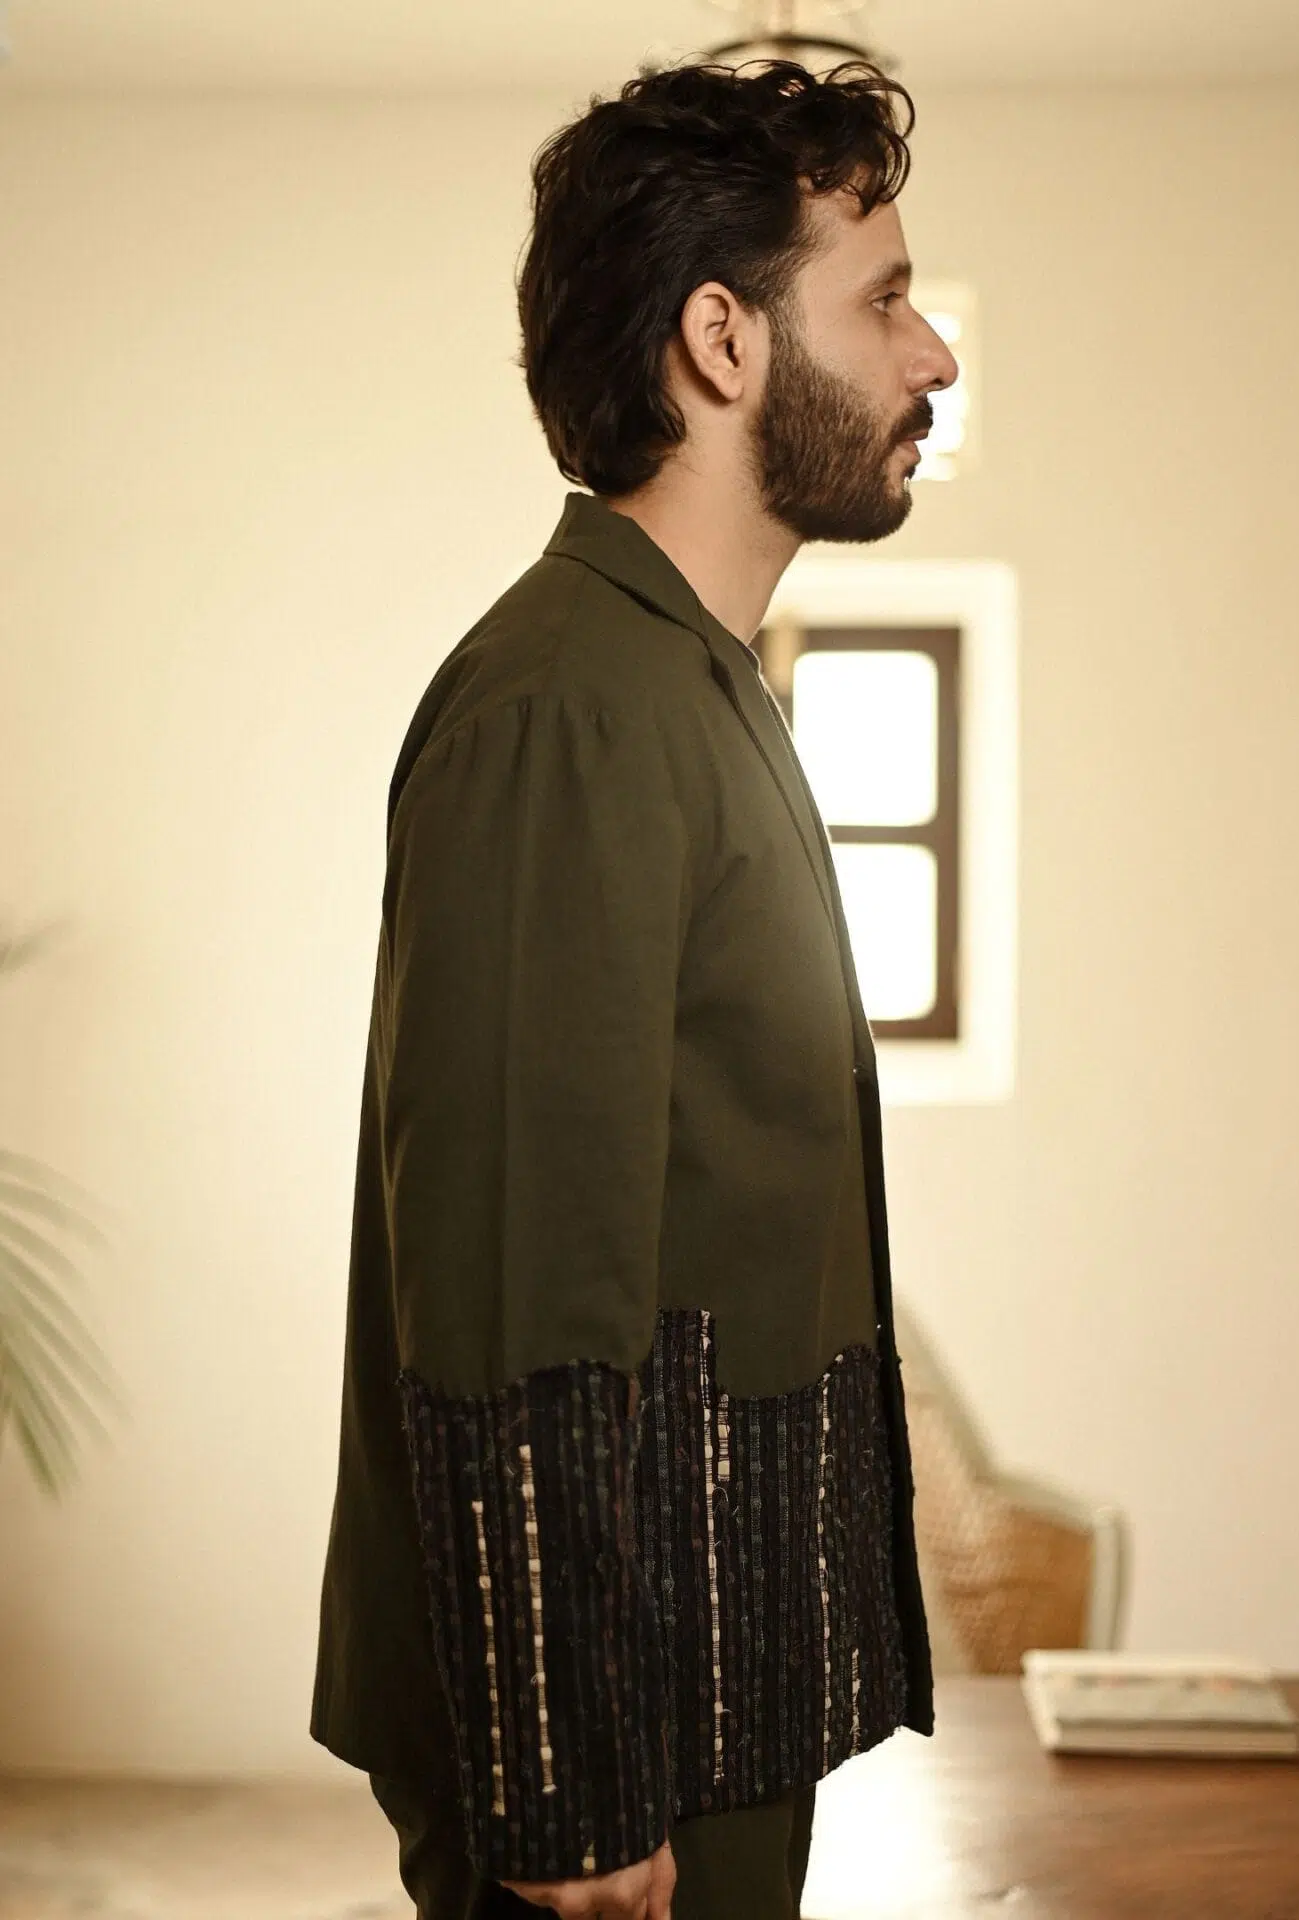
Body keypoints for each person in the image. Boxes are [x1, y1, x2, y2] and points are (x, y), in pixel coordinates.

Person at [309, 55, 958, 1920]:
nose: (930, 357)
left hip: (707, 1698)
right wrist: (570, 1781)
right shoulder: (571, 709)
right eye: (885, 300)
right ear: (722, 341)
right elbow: (518, 1273)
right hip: (613, 1758)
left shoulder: (692, 682)